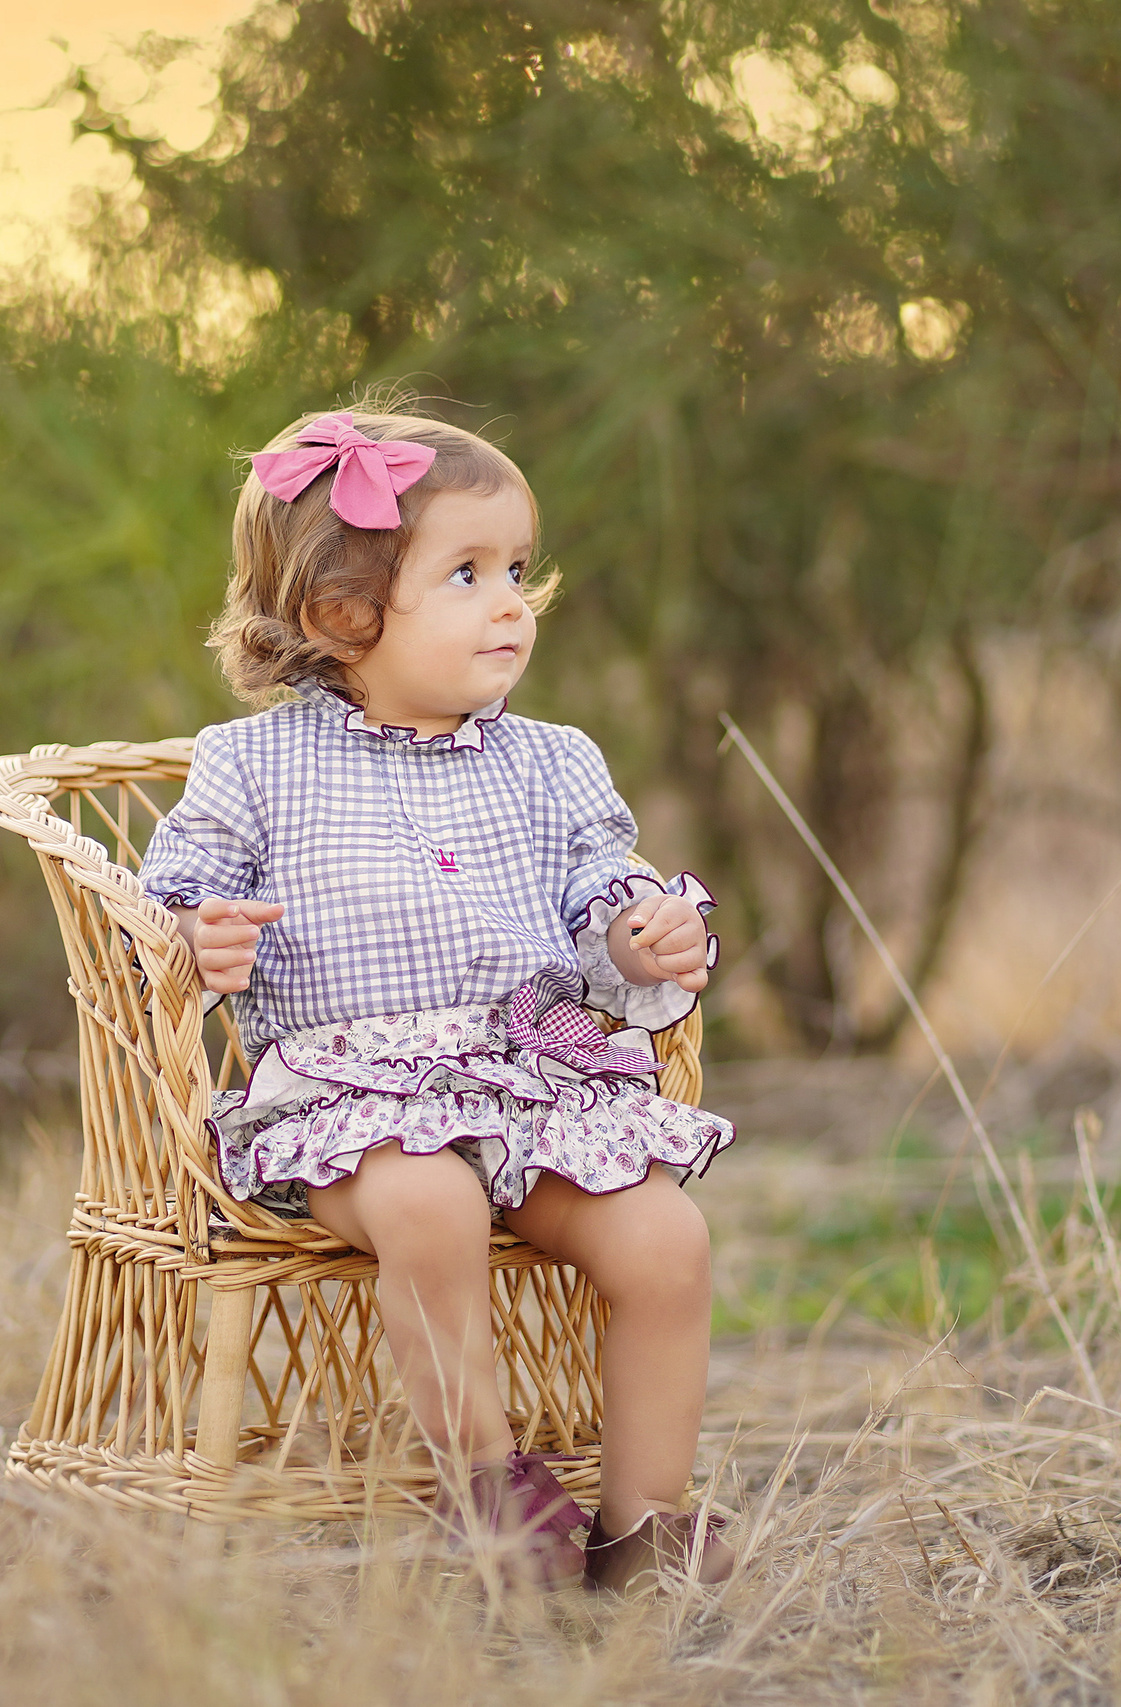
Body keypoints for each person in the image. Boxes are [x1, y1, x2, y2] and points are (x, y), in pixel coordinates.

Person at [138, 403, 739, 1593]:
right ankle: (491, 1492)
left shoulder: (553, 760)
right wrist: (195, 936)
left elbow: (598, 889)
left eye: (517, 568)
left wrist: (638, 932)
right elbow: (168, 895)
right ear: (339, 614)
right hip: (353, 1094)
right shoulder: (252, 764)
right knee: (430, 1208)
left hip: (529, 1084)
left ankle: (644, 1530)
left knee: (667, 1240)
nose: (512, 601)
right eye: (465, 573)